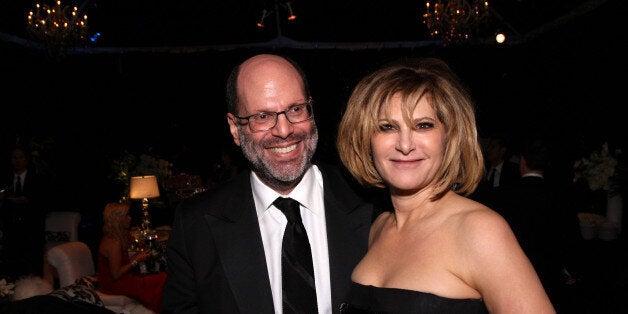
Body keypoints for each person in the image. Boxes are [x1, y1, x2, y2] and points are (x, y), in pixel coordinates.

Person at [336, 57, 555, 313]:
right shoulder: (378, 227)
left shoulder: (479, 230)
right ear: (365, 139)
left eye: (423, 125)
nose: (405, 145)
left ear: (449, 137)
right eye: (387, 127)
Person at [162, 53, 374, 314]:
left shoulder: (373, 205)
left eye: (296, 109)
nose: (284, 130)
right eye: (262, 116)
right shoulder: (196, 225)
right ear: (234, 128)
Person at [492, 136, 579, 310]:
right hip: (550, 277)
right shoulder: (560, 197)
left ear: (522, 162)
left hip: (512, 277)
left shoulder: (504, 194)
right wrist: (571, 271)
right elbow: (571, 237)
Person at [97, 202, 167, 314]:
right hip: (113, 283)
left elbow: (123, 259)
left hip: (122, 277)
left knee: (158, 276)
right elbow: (116, 274)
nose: (130, 218)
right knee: (161, 278)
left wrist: (137, 255)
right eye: (126, 216)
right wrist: (136, 260)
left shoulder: (120, 235)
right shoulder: (113, 242)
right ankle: (154, 310)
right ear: (118, 219)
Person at [0, 145, 49, 278]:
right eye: (14, 158)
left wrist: (28, 201)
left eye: (20, 157)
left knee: (32, 263)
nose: (17, 161)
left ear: (26, 160)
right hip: (11, 228)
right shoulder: (5, 179)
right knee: (12, 262)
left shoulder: (37, 179)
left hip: (31, 228)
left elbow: (44, 203)